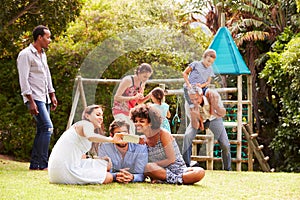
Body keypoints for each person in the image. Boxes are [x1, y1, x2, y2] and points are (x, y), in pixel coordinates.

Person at [48, 105, 124, 184]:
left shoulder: (84, 128)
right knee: (109, 177)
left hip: (58, 170)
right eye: (98, 115)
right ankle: (116, 176)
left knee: (105, 164)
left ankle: (113, 172)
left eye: (102, 115)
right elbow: (91, 136)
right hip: (64, 170)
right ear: (87, 116)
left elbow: (81, 156)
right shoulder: (84, 124)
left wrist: (96, 160)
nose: (101, 118)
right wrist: (111, 139)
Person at [130, 104, 205, 184]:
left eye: (141, 121)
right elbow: (123, 141)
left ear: (150, 122)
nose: (137, 124)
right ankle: (175, 180)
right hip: (159, 171)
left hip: (177, 169)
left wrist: (153, 164)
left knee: (200, 171)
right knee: (148, 167)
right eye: (135, 121)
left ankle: (172, 179)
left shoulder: (162, 134)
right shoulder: (141, 139)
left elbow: (171, 159)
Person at [17, 25, 58, 170]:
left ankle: (35, 165)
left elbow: (47, 75)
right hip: (34, 98)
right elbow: (24, 79)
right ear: (39, 37)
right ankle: (44, 164)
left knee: (41, 130)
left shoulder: (43, 54)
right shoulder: (25, 54)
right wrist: (31, 101)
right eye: (48, 37)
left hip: (44, 97)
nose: (50, 40)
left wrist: (52, 94)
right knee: (48, 128)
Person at [182, 85, 232, 170]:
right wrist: (195, 115)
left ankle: (228, 168)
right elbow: (196, 126)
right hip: (198, 120)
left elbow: (223, 112)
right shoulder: (188, 105)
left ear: (201, 95)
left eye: (196, 99)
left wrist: (216, 107)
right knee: (187, 136)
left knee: (225, 144)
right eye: (192, 99)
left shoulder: (213, 97)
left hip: (214, 119)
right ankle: (185, 166)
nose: (194, 102)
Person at [98, 119, 148, 183]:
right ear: (111, 135)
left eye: (125, 133)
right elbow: (102, 171)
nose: (122, 137)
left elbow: (141, 173)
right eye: (118, 133)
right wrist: (116, 175)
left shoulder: (140, 147)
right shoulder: (104, 146)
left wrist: (132, 177)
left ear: (129, 133)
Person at [112, 63, 153, 135]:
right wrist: (133, 97)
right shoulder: (128, 80)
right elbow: (117, 97)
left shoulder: (142, 83)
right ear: (139, 73)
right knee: (124, 132)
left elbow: (139, 102)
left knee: (132, 134)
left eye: (148, 77)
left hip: (130, 112)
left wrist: (149, 96)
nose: (146, 79)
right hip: (119, 109)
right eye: (145, 76)